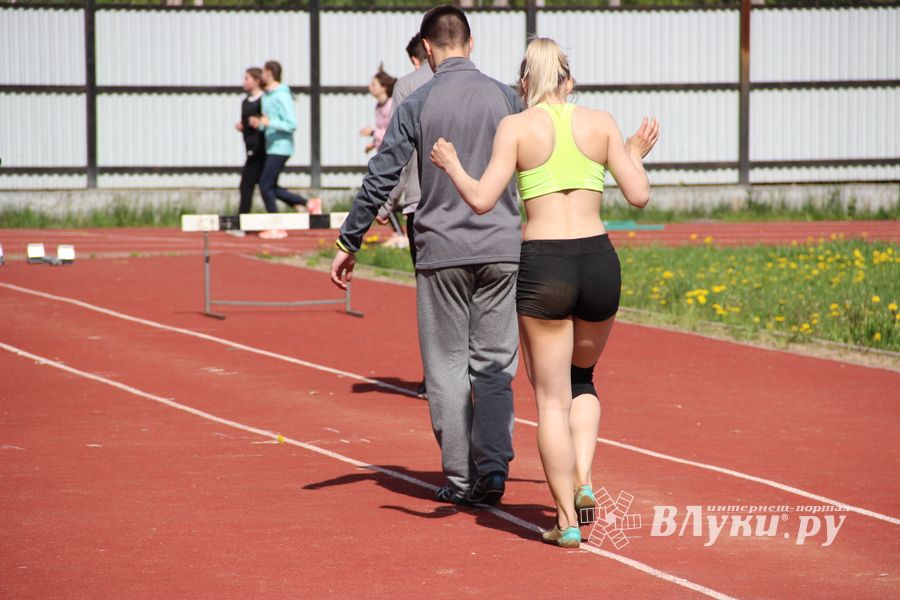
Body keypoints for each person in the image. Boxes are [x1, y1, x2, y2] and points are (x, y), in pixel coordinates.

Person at [430, 37, 659, 547]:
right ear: (569, 80)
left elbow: (483, 200)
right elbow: (639, 195)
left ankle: (567, 522)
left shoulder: (516, 126)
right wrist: (633, 154)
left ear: (523, 83)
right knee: (584, 379)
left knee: (550, 402)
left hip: (545, 264)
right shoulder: (600, 122)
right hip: (599, 261)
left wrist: (451, 165)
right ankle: (583, 479)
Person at [331, 5, 523, 507]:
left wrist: (350, 240)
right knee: (495, 364)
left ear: (428, 51)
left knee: (446, 365)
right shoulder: (508, 97)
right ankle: (495, 468)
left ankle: (461, 480)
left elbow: (383, 173)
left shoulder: (417, 102)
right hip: (503, 248)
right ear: (472, 43)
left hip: (441, 250)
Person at [376, 32, 434, 400]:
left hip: (422, 204)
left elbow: (397, 151)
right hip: (477, 206)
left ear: (419, 55)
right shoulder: (487, 86)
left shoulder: (408, 86)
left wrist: (384, 204)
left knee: (432, 296)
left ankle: (437, 378)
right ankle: (480, 374)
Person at [249, 60, 309, 240]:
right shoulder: (267, 96)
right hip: (271, 146)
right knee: (270, 186)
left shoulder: (282, 95)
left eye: (263, 73)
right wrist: (259, 124)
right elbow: (270, 122)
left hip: (282, 147)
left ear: (270, 73)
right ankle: (307, 203)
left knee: (265, 185)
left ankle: (276, 226)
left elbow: (291, 124)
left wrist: (269, 123)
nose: (261, 76)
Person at [229, 67, 266, 238]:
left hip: (262, 149)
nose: (244, 82)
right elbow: (246, 123)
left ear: (257, 80)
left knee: (247, 185)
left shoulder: (264, 100)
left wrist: (259, 122)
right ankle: (302, 203)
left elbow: (267, 120)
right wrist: (242, 126)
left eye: (247, 79)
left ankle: (241, 224)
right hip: (249, 147)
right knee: (267, 186)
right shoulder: (245, 102)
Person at [359, 65, 397, 154]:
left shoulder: (391, 105)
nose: (370, 87)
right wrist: (374, 143)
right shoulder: (378, 106)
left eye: (374, 84)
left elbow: (392, 134)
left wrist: (372, 132)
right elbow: (381, 132)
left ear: (384, 87)